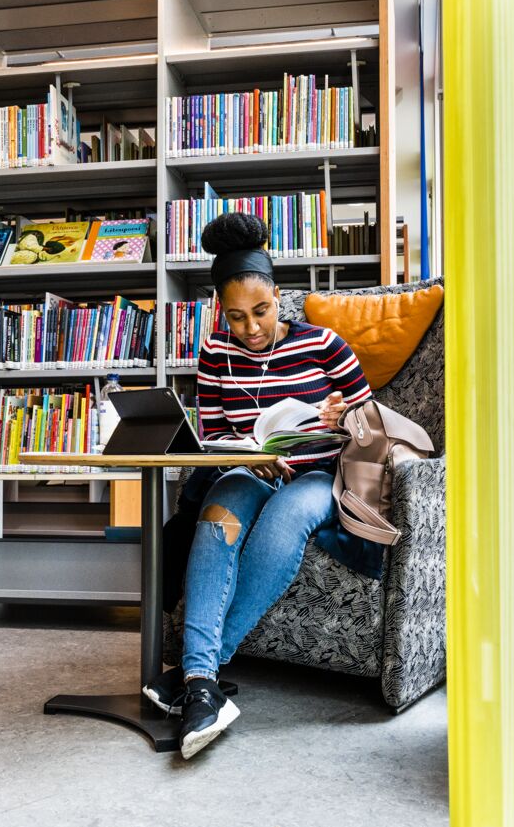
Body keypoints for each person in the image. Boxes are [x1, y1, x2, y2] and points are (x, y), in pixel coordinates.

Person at [143, 212, 372, 759]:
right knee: (214, 525)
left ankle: (199, 678)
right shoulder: (214, 355)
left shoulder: (324, 345)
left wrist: (342, 418)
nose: (250, 329)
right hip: (247, 470)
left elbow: (371, 426)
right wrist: (249, 454)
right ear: (221, 312)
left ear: (279, 295)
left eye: (262, 311)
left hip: (317, 474)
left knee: (282, 526)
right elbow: (217, 435)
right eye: (237, 316)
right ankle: (205, 686)